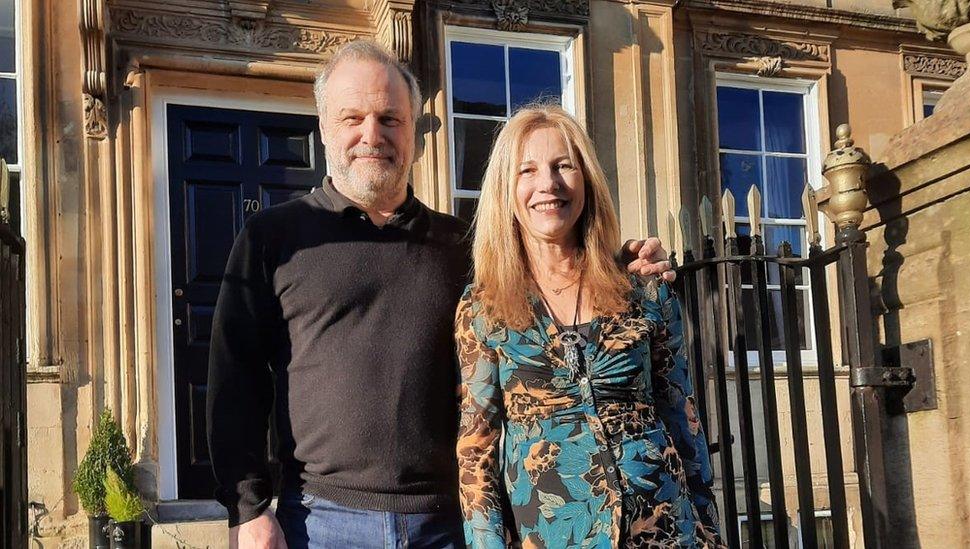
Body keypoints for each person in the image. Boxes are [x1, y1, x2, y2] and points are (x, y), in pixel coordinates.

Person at [207, 40, 674, 549]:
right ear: (323, 127)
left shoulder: (465, 247)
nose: (372, 135)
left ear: (416, 131)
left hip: (447, 523)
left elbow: (554, 258)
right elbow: (235, 383)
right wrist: (248, 509)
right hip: (322, 522)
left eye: (390, 119)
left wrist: (618, 263)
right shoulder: (274, 238)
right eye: (353, 118)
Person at [455, 105, 725, 548]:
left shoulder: (643, 288)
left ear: (587, 180)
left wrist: (709, 531)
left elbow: (683, 417)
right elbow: (476, 451)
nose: (549, 184)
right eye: (528, 170)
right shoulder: (483, 308)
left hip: (666, 531)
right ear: (507, 189)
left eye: (564, 166)